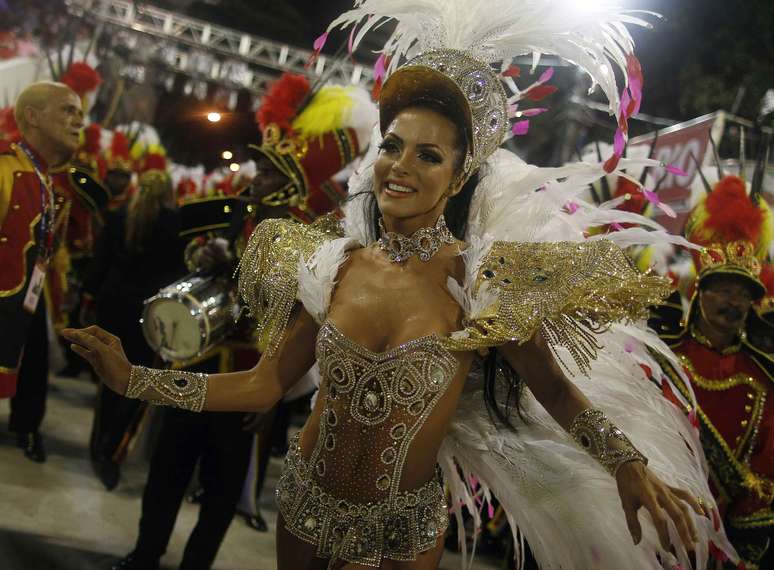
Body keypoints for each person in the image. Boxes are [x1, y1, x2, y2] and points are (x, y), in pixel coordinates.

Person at [65, 2, 738, 568]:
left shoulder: (485, 287)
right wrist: (132, 379)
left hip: (402, 532)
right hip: (302, 508)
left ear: (459, 175)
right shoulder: (331, 264)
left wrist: (624, 462)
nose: (399, 165)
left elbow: (557, 389)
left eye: (428, 154)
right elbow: (266, 384)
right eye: (392, 145)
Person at [109, 75, 375, 570]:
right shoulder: (242, 212)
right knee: (168, 468)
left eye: (271, 173)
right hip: (200, 359)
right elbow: (208, 268)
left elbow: (312, 319)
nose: (258, 177)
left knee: (222, 487)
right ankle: (145, 554)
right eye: (262, 170)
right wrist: (204, 253)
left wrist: (279, 394)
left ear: (292, 179)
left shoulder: (316, 232)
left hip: (253, 374)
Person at [649, 169, 774, 569]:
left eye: (743, 294)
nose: (733, 302)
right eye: (723, 289)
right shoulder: (660, 359)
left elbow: (764, 472)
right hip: (650, 530)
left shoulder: (762, 379)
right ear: (699, 290)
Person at [82, 150, 187, 489]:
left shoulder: (119, 216)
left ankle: (97, 445)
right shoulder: (176, 225)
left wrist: (89, 296)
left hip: (114, 307)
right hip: (150, 315)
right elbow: (179, 274)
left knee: (106, 382)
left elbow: (100, 263)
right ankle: (113, 449)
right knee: (134, 382)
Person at [1, 81, 84, 462]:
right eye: (68, 110)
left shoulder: (43, 179)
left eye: (81, 113)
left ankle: (26, 426)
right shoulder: (6, 168)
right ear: (32, 117)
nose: (78, 121)